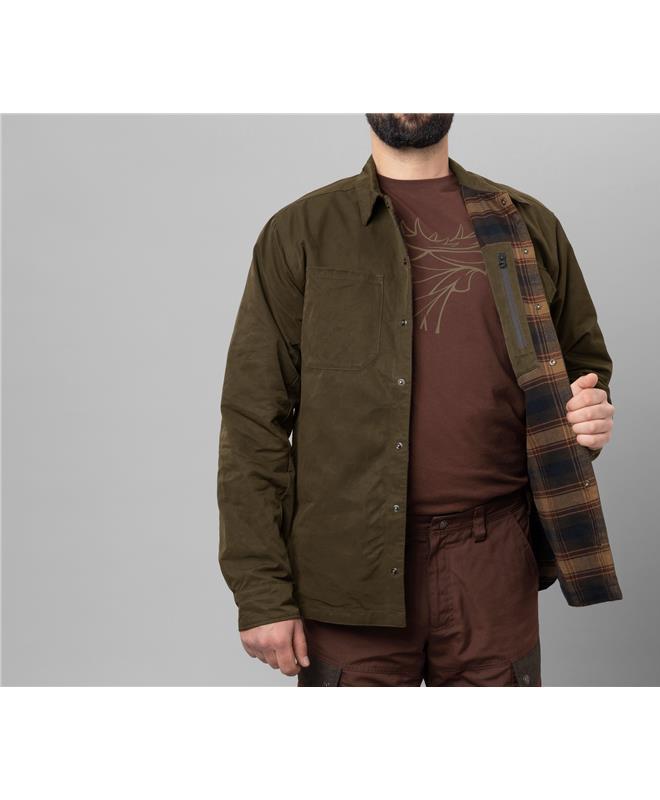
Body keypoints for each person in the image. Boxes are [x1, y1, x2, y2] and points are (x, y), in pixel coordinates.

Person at [217, 113, 622, 687]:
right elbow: (252, 421)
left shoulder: (525, 225)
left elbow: (581, 369)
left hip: (493, 564)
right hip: (348, 567)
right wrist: (261, 591)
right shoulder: (301, 232)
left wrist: (589, 417)